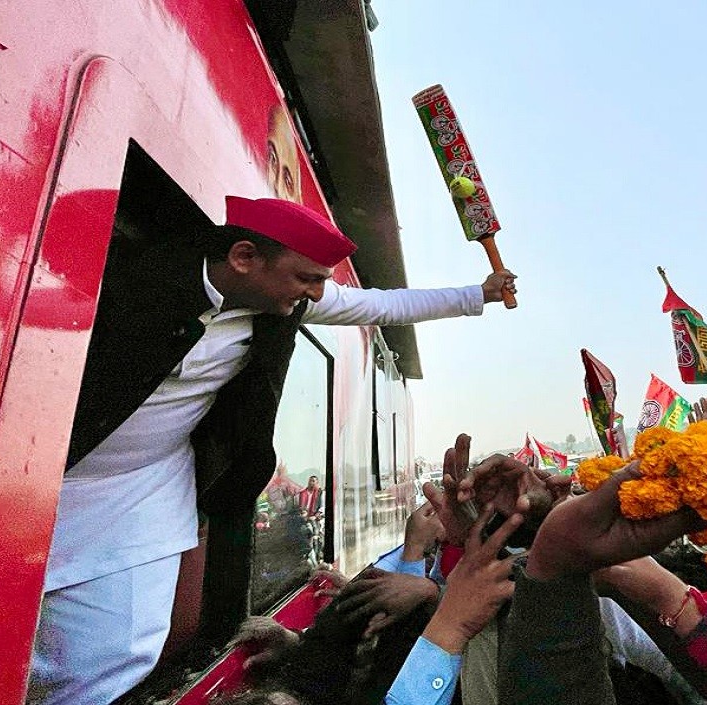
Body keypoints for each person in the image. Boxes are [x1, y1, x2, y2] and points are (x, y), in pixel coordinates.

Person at [27, 195, 517, 705]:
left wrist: (478, 294)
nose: (317, 293)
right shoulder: (131, 276)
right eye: (307, 278)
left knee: (121, 647)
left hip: (146, 485)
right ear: (244, 258)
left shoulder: (289, 300)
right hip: (40, 471)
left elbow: (383, 305)